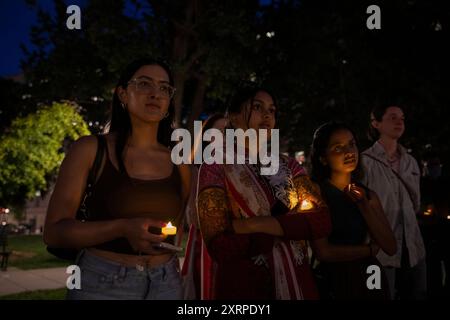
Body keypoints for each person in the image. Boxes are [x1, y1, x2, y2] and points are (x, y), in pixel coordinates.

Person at [44, 58, 190, 300]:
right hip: (102, 283)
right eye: (144, 84)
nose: (156, 93)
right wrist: (122, 228)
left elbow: (182, 225)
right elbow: (54, 232)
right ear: (122, 93)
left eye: (164, 88)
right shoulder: (90, 149)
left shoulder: (180, 162)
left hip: (167, 283)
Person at [195, 85, 332, 299]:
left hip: (297, 277)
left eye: (272, 110)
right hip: (245, 284)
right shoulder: (215, 166)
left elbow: (321, 221)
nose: (267, 114)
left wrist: (252, 225)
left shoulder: (289, 165)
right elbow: (220, 245)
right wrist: (288, 229)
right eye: (257, 107)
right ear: (233, 117)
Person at [309, 121, 396, 300]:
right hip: (335, 278)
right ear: (323, 157)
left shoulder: (368, 195)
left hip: (370, 274)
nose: (349, 152)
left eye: (352, 144)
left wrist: (364, 205)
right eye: (338, 148)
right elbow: (322, 251)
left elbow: (390, 246)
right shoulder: (316, 193)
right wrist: (369, 250)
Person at [361, 104, 427, 300]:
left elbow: (415, 204)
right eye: (392, 117)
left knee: (416, 293)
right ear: (376, 123)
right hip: (379, 249)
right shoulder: (365, 162)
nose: (399, 122)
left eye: (402, 118)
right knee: (379, 295)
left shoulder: (411, 162)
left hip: (413, 246)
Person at [181, 113, 226, 299]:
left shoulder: (244, 170)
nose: (225, 137)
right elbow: (193, 219)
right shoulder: (195, 170)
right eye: (220, 132)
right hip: (206, 247)